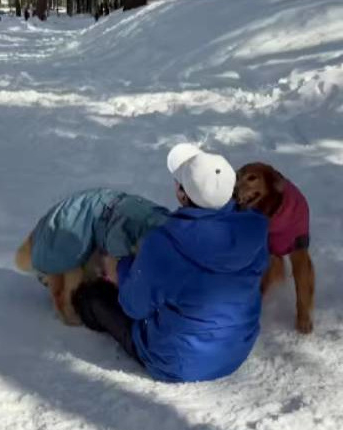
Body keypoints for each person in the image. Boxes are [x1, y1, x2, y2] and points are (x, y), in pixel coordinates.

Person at [71, 143, 268, 383]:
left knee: (91, 297)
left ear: (182, 194)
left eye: (179, 182)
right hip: (236, 351)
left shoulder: (166, 243)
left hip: (176, 362)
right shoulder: (254, 230)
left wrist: (120, 269)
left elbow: (134, 306)